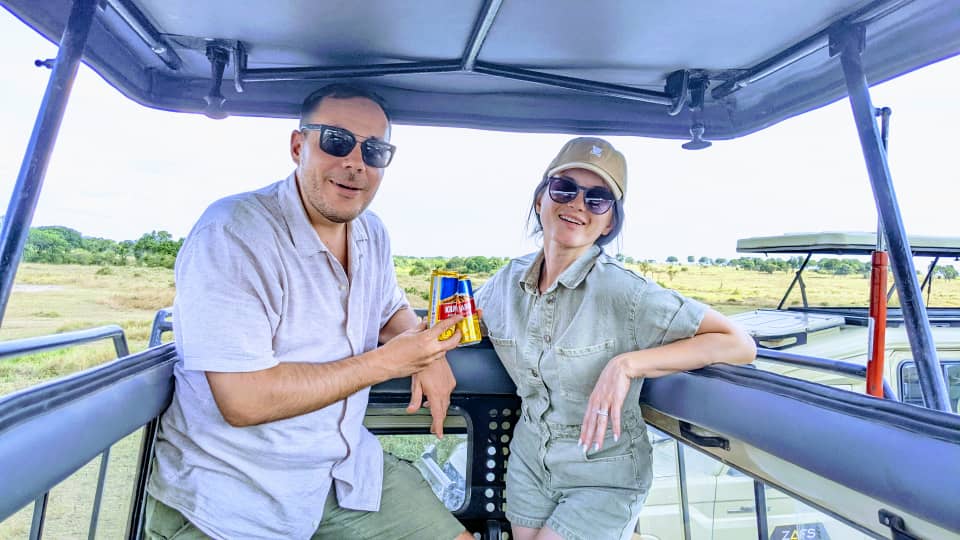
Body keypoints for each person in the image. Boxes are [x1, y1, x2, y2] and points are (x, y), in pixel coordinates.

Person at [145, 84, 474, 540]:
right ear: (298, 146)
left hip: (339, 473)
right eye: (337, 141)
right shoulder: (233, 233)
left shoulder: (371, 232)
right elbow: (244, 400)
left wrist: (428, 356)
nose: (355, 163)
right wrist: (392, 362)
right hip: (232, 496)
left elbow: (389, 309)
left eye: (374, 151)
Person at [475, 137, 757, 540]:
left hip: (603, 472)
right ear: (540, 200)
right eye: (565, 189)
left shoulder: (625, 292)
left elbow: (738, 342)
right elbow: (459, 321)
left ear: (609, 222)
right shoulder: (507, 281)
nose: (578, 204)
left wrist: (627, 364)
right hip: (530, 459)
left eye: (597, 199)